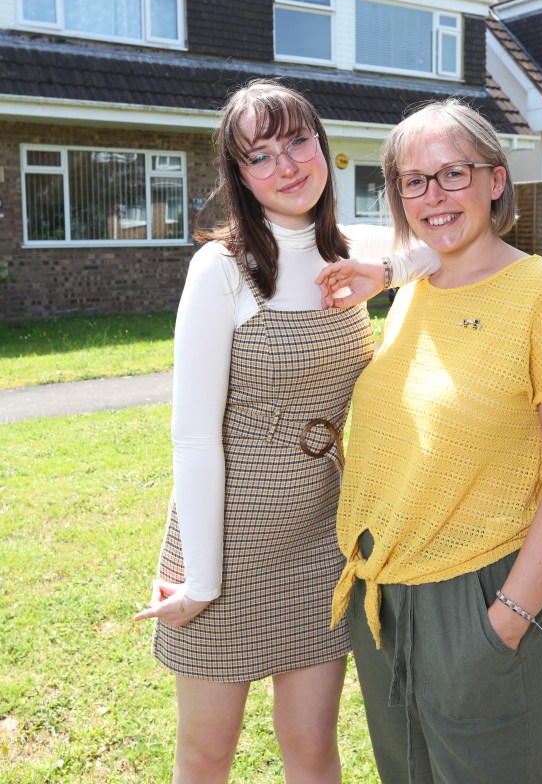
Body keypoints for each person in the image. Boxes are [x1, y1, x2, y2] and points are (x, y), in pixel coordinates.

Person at [134, 79, 439, 784]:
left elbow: (445, 240)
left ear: (323, 147)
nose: (287, 165)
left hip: (317, 538)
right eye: (260, 155)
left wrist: (384, 272)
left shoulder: (351, 245)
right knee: (207, 754)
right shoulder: (222, 269)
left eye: (299, 141)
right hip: (226, 540)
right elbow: (193, 436)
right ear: (239, 175)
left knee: (312, 750)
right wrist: (203, 580)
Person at [320, 99, 542, 784]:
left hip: (478, 598)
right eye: (412, 180)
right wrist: (392, 272)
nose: (433, 195)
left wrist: (506, 619)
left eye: (453, 173)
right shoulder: (416, 288)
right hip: (383, 602)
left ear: (496, 179)